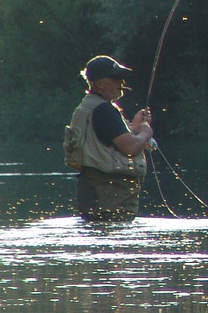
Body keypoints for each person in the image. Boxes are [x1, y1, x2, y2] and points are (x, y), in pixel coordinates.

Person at [64, 55, 155, 221]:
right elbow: (130, 148)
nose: (122, 83)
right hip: (109, 193)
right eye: (116, 78)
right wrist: (145, 133)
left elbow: (106, 142)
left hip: (93, 189)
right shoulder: (103, 110)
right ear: (100, 83)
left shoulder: (87, 107)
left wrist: (134, 128)